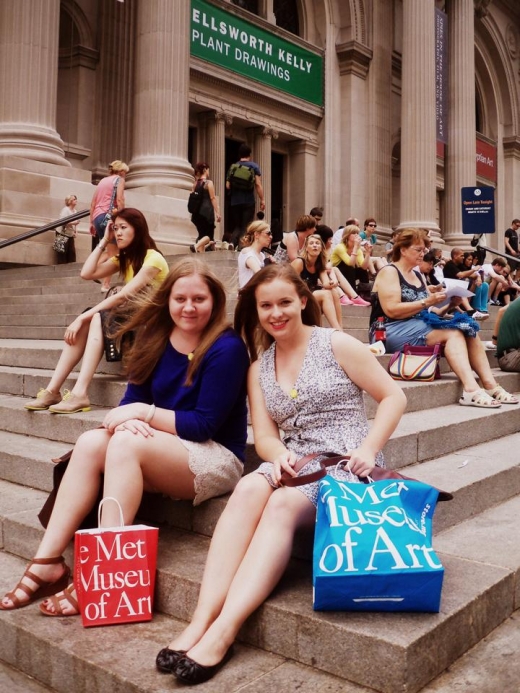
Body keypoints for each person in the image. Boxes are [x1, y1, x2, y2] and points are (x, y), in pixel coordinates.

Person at [158, 263, 406, 685]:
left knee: (282, 504)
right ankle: (201, 619)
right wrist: (276, 459)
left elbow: (393, 396)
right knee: (248, 491)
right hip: (294, 460)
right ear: (255, 311)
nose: (276, 313)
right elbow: (267, 436)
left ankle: (225, 629)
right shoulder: (258, 367)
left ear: (302, 302)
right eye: (266, 305)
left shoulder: (336, 344)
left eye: (285, 303)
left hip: (345, 460)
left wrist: (368, 448)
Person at [1, 258, 249, 616]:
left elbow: (202, 425)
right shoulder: (155, 335)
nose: (189, 307)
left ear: (215, 302)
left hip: (215, 456)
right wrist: (130, 417)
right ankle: (47, 560)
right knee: (90, 443)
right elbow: (131, 401)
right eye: (180, 298)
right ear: (167, 300)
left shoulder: (227, 348)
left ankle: (100, 574)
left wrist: (142, 415)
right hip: (160, 444)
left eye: (199, 299)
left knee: (125, 441)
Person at [24, 208, 169, 414]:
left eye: (123, 228)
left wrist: (83, 316)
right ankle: (53, 390)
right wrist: (103, 241)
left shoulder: (152, 258)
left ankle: (80, 392)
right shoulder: (124, 258)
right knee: (92, 319)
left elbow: (123, 295)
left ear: (138, 229)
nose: (118, 233)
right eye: (116, 228)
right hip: (136, 318)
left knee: (93, 317)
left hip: (157, 322)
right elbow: (87, 273)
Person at [370, 228, 519, 408]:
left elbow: (427, 312)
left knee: (468, 328)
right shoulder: (389, 271)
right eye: (418, 250)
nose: (423, 254)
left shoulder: (417, 274)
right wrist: (427, 301)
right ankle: (471, 389)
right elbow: (392, 310)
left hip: (417, 324)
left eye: (424, 250)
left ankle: (490, 385)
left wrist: (449, 304)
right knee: (453, 333)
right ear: (402, 249)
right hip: (388, 329)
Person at [90, 160, 129, 292]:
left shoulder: (102, 181)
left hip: (98, 217)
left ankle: (94, 265)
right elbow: (119, 199)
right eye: (125, 172)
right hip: (109, 217)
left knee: (110, 249)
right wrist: (123, 216)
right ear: (121, 171)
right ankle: (105, 284)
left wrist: (91, 222)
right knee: (113, 253)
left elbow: (93, 203)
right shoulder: (119, 180)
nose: (126, 175)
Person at [291, 234, 343, 330]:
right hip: (297, 298)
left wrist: (334, 281)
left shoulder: (319, 265)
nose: (315, 245)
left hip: (310, 297)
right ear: (306, 248)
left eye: (317, 243)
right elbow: (288, 283)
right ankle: (337, 329)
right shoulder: (299, 262)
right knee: (325, 294)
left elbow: (326, 284)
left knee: (334, 292)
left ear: (321, 248)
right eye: (311, 243)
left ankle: (340, 329)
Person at [226, 144, 265, 249]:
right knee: (246, 225)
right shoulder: (254, 166)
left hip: (235, 201)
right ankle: (241, 246)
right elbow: (258, 184)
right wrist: (262, 199)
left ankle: (232, 242)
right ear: (249, 154)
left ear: (239, 154)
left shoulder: (233, 167)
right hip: (248, 201)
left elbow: (227, 185)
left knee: (237, 225)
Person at [189, 162, 221, 253]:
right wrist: (217, 213)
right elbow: (212, 198)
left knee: (202, 235)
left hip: (196, 214)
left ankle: (201, 254)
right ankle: (196, 246)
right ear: (205, 170)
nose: (208, 171)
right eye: (208, 169)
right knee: (209, 236)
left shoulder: (195, 184)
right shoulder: (208, 183)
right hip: (206, 213)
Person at [237, 220, 272, 288]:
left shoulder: (262, 255)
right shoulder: (247, 252)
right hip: (247, 296)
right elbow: (260, 274)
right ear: (256, 235)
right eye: (268, 233)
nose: (271, 237)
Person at [55, 194, 79, 264]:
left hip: (70, 234)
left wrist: (76, 231)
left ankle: (70, 266)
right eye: (74, 199)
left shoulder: (75, 211)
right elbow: (62, 222)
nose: (76, 200)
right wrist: (73, 223)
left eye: (76, 199)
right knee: (62, 252)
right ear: (70, 201)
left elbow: (76, 223)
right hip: (62, 233)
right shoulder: (65, 210)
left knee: (71, 252)